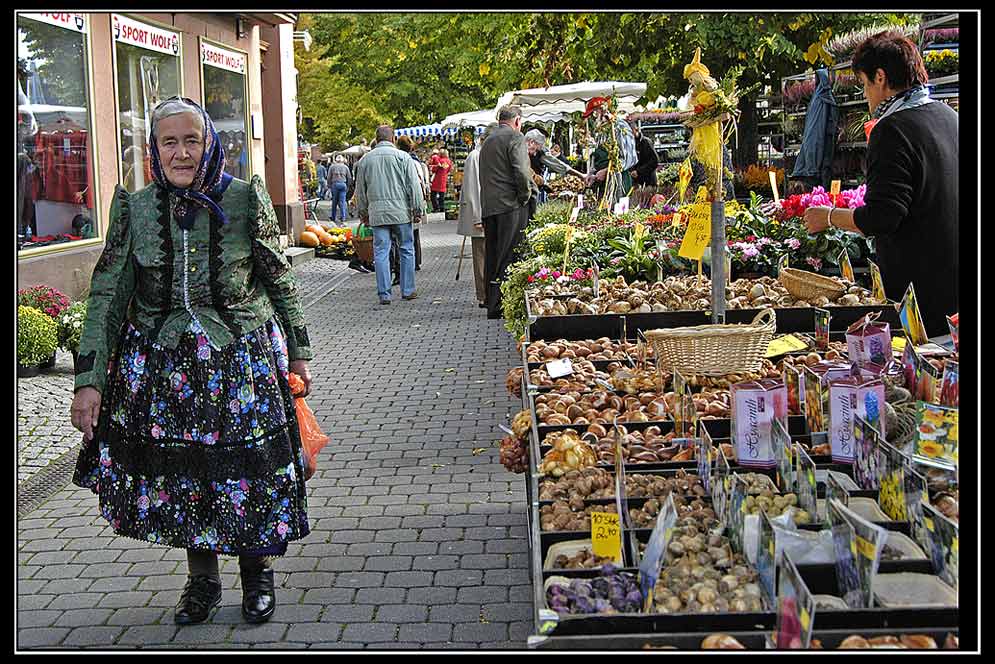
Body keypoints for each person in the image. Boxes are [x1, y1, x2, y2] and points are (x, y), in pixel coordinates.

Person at [68, 96, 312, 626]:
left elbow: (278, 278)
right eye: (169, 142)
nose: (181, 152)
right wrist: (88, 380)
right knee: (188, 477)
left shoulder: (247, 200)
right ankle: (202, 581)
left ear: (209, 143)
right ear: (154, 150)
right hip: (162, 369)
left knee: (248, 472)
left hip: (238, 362)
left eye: (191, 140)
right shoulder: (133, 208)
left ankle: (257, 575)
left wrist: (299, 350)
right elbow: (106, 297)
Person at [802, 30, 958, 335]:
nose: (864, 95)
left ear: (881, 78)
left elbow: (882, 217)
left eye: (863, 84)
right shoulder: (949, 115)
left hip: (922, 297)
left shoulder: (892, 130)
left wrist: (828, 217)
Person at [354, 124, 423, 305]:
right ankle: (408, 290)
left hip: (377, 214)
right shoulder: (403, 157)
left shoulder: (365, 161)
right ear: (393, 139)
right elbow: (413, 186)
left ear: (377, 139)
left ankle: (384, 294)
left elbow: (360, 190)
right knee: (407, 248)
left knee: (381, 252)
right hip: (401, 212)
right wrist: (418, 210)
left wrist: (363, 212)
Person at [479, 105, 532, 319]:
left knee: (492, 255)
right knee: (508, 254)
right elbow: (521, 171)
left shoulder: (488, 141)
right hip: (509, 205)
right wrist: (525, 196)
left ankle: (492, 304)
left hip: (489, 206)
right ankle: (503, 303)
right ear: (517, 120)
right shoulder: (515, 138)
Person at [458, 123, 498, 308]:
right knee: (481, 256)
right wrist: (477, 217)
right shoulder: (475, 156)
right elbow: (473, 189)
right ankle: (483, 295)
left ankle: (488, 292)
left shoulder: (485, 154)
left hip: (488, 213)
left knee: (486, 254)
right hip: (480, 214)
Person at [582, 97, 639, 206]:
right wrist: (592, 173)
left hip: (618, 182)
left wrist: (607, 171)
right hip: (603, 185)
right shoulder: (601, 131)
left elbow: (629, 158)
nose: (592, 119)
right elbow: (599, 156)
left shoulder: (619, 126)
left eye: (594, 114)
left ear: (601, 110)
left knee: (618, 216)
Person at [396, 135, 427, 271]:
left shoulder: (401, 160)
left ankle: (408, 265)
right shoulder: (416, 162)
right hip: (413, 202)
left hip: (403, 203)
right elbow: (421, 183)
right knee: (414, 234)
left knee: (404, 239)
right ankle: (416, 261)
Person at [628, 121, 660, 190]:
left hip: (649, 182)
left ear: (636, 129)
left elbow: (655, 161)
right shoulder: (629, 144)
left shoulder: (646, 142)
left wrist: (639, 171)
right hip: (635, 182)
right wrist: (632, 171)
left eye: (630, 131)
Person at [326, 154, 352, 223]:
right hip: (343, 184)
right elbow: (349, 177)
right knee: (342, 202)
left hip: (335, 184)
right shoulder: (345, 167)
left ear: (336, 160)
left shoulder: (332, 167)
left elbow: (329, 177)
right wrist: (348, 186)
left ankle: (333, 217)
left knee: (334, 202)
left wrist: (329, 185)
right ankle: (343, 217)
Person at [428, 148, 453, 213]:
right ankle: (442, 207)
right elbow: (449, 170)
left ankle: (436, 208)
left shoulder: (440, 161)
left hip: (437, 179)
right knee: (441, 195)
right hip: (444, 178)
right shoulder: (449, 161)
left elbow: (434, 169)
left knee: (433, 194)